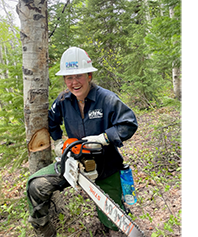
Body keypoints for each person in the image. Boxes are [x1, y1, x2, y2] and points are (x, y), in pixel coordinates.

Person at [26, 47, 138, 237]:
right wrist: (59, 141)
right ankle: (45, 232)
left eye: (79, 76)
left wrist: (104, 138)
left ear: (89, 75)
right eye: (69, 77)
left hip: (105, 166)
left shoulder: (107, 99)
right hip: (74, 162)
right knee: (36, 184)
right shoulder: (62, 101)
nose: (74, 82)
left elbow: (129, 123)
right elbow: (52, 120)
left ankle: (112, 222)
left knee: (116, 227)